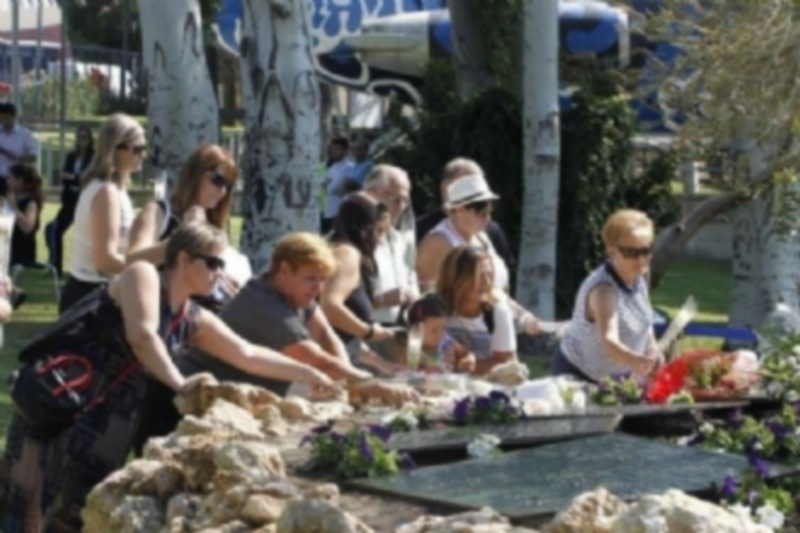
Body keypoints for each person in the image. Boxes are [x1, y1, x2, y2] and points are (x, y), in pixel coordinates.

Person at [0, 223, 334, 532]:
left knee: (76, 514)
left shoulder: (192, 315)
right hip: (61, 402)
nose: (220, 273)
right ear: (185, 259)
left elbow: (245, 354)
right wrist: (180, 383)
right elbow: (142, 336)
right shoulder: (143, 275)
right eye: (214, 263)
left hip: (108, 426)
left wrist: (306, 371)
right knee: (23, 507)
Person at [178, 231, 419, 409]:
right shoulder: (265, 306)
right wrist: (377, 386)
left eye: (323, 279)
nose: (318, 287)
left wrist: (353, 382)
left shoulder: (294, 293)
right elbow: (319, 360)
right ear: (284, 271)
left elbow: (326, 336)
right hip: (191, 401)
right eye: (311, 278)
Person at [555, 209, 663, 382]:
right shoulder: (603, 290)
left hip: (616, 376)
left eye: (646, 250)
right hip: (579, 374)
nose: (641, 259)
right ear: (612, 251)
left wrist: (652, 348)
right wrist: (634, 360)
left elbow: (645, 318)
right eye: (631, 253)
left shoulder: (639, 276)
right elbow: (609, 339)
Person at [126, 143, 242, 303]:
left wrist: (217, 273)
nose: (222, 191)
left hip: (196, 314)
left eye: (228, 186)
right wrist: (182, 237)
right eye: (217, 180)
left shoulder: (212, 224)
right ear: (195, 174)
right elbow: (132, 261)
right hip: (156, 306)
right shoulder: (159, 212)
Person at [60, 113, 142, 314]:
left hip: (99, 294)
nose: (143, 154)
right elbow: (104, 260)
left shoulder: (113, 189)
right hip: (91, 299)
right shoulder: (106, 192)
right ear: (115, 149)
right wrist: (147, 272)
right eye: (137, 148)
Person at [321, 193, 404, 376]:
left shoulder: (341, 250)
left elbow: (344, 335)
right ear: (364, 229)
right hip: (326, 369)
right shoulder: (347, 254)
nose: (380, 240)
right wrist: (367, 331)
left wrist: (382, 365)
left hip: (338, 362)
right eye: (379, 231)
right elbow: (329, 306)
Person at [415, 158, 515, 279]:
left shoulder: (484, 236)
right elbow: (427, 292)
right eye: (482, 213)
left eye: (490, 213)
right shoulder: (435, 240)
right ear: (460, 210)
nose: (488, 219)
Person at [436, 245, 517, 375]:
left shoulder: (497, 310)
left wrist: (472, 363)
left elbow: (507, 363)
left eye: (490, 275)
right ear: (457, 278)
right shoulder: (435, 307)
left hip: (484, 387)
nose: (487, 282)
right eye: (479, 276)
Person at [363, 165, 418, 325]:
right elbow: (336, 299)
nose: (400, 206)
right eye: (395, 199)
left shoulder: (400, 240)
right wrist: (382, 299)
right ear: (371, 195)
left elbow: (410, 278)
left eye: (405, 200)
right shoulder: (352, 241)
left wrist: (413, 297)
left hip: (399, 329)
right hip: (364, 330)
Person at [46, 125, 95, 275]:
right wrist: (73, 178)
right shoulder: (71, 156)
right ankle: (55, 265)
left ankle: (89, 268)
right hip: (70, 199)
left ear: (90, 139)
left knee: (87, 235)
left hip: (85, 201)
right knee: (53, 228)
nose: (81, 141)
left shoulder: (94, 157)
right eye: (79, 137)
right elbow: (63, 175)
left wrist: (73, 177)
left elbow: (87, 178)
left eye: (85, 137)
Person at [403, 292, 476, 373]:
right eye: (434, 330)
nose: (440, 335)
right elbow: (408, 369)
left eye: (443, 329)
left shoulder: (446, 342)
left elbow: (465, 354)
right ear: (416, 330)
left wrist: (468, 360)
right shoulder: (412, 348)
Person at [6, 163, 43, 267]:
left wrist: (14, 207)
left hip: (21, 253)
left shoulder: (31, 202)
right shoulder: (13, 198)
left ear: (20, 180)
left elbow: (27, 227)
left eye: (10, 178)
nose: (7, 181)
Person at [0, 103, 37, 195]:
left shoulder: (24, 134)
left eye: (6, 118)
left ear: (14, 117)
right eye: (1, 119)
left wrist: (17, 157)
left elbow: (33, 157)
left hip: (15, 181)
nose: (3, 121)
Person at [320, 136, 354, 233]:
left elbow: (335, 187)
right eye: (332, 149)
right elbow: (322, 183)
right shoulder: (330, 167)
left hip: (339, 211)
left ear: (345, 150)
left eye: (337, 149)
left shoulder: (350, 167)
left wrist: (328, 187)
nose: (333, 151)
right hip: (326, 210)